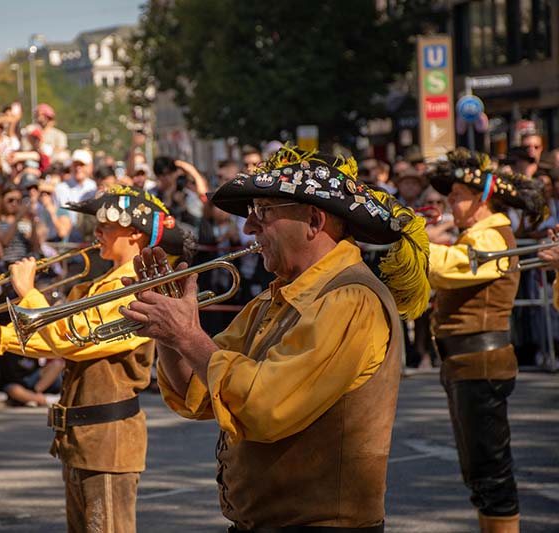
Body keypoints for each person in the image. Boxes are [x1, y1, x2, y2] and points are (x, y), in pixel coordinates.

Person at [119, 145, 432, 531]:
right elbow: (196, 395)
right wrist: (167, 333)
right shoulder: (279, 295)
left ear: (314, 221)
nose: (249, 228)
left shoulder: (350, 299)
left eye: (263, 212)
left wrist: (187, 335)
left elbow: (265, 406)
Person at [0, 185, 192, 533]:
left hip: (108, 440)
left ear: (135, 233)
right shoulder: (101, 282)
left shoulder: (136, 286)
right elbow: (55, 342)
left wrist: (29, 293)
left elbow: (69, 339)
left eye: (106, 224)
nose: (97, 232)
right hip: (82, 437)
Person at [426, 149, 546, 533]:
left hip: (481, 364)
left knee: (490, 472)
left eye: (458, 194)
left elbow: (445, 269)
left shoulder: (492, 235)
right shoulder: (478, 234)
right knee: (479, 472)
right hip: (465, 364)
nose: (450, 202)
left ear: (482, 198)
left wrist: (411, 241)